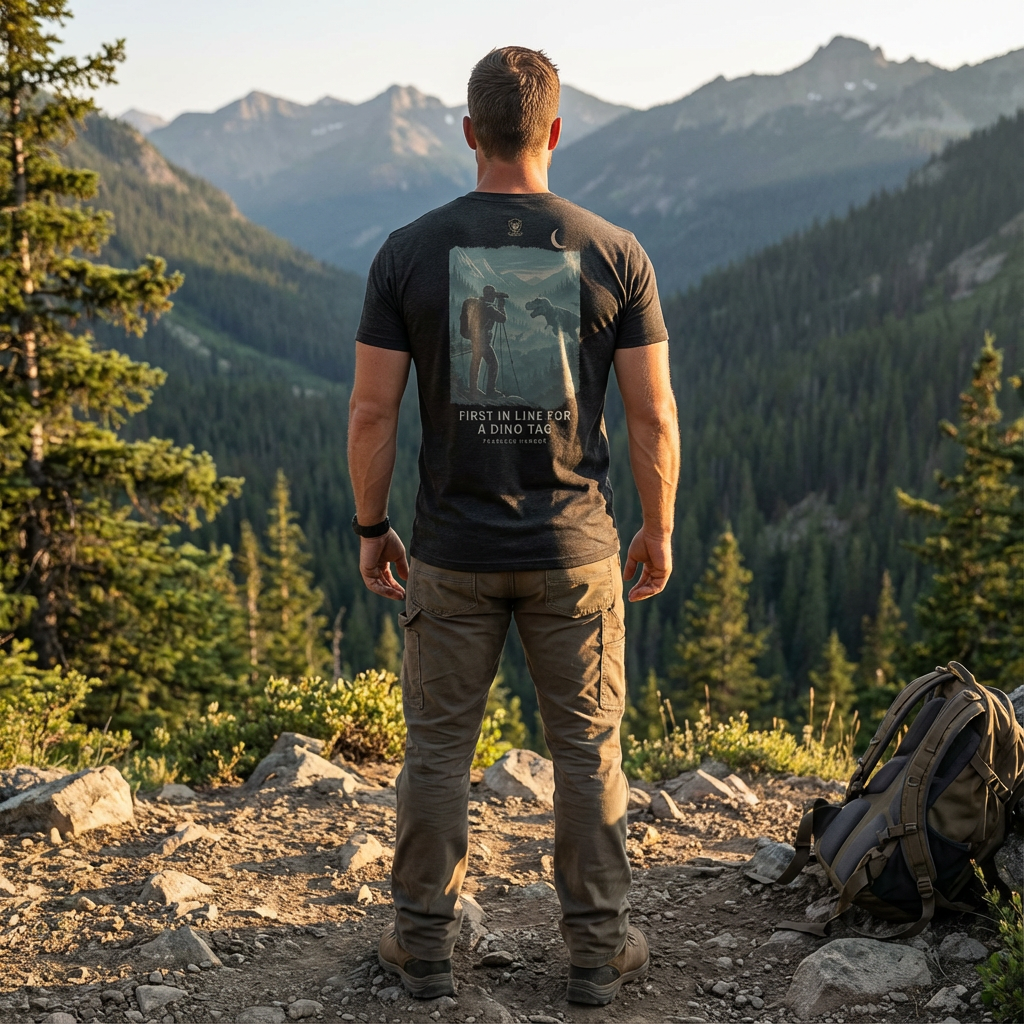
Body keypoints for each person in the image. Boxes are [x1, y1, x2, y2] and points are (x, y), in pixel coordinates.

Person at [347, 45, 679, 1008]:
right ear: (555, 132)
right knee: (585, 754)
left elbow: (372, 414)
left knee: (438, 753)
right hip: (576, 551)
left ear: (469, 133)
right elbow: (653, 417)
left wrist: (373, 527)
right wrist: (656, 525)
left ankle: (421, 948)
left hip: (449, 552)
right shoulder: (616, 252)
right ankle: (595, 952)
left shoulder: (408, 252)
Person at [464, 284, 506, 397]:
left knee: (475, 363)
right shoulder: (489, 308)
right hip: (483, 341)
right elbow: (502, 319)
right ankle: (490, 391)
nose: (494, 297)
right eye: (492, 295)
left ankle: (473, 389)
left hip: (475, 339)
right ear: (489, 295)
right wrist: (501, 306)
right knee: (493, 364)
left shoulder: (478, 304)